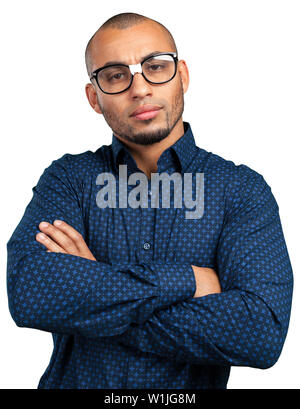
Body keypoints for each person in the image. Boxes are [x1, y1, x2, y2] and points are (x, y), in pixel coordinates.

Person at [6, 12, 293, 389]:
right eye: (115, 75)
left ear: (182, 77)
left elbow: (259, 335)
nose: (139, 89)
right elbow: (31, 292)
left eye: (155, 67)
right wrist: (188, 280)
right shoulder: (69, 180)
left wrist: (94, 293)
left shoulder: (240, 189)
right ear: (94, 97)